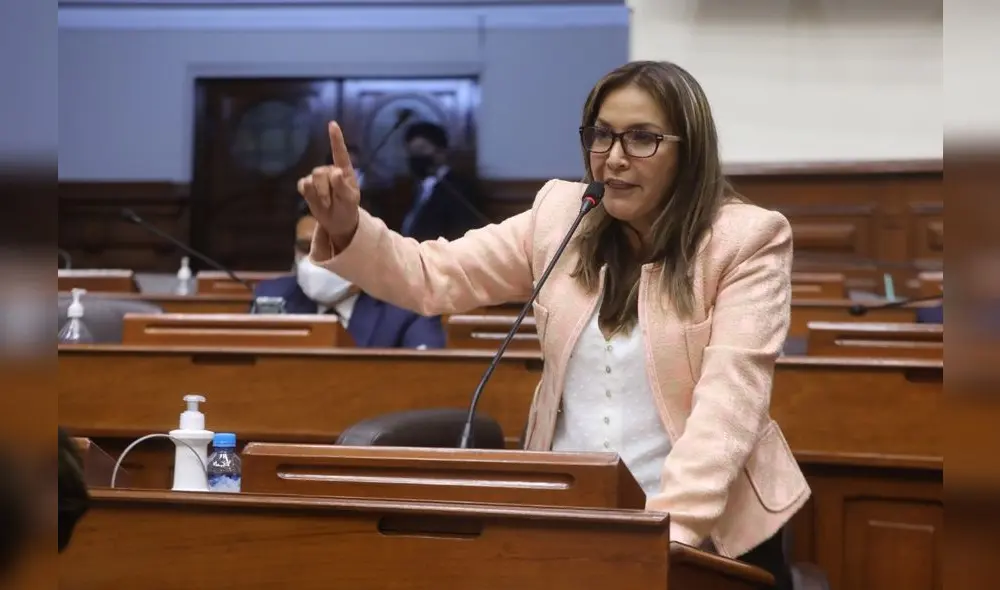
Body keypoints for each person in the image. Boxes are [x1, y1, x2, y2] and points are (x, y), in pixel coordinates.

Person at [297, 60, 808, 589]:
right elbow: (432, 275)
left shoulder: (747, 240)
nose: (613, 158)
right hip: (568, 523)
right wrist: (349, 227)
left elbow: (727, 413)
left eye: (642, 139)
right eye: (602, 135)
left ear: (689, 151)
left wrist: (661, 542)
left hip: (703, 541)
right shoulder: (561, 215)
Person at [252, 210, 447, 349]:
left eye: (334, 249)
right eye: (305, 248)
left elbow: (425, 381)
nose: (316, 260)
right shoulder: (271, 297)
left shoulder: (410, 307)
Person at [399, 121, 486, 241]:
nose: (416, 156)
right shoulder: (416, 187)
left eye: (421, 149)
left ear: (441, 152)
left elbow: (462, 232)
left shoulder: (458, 188)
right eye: (411, 150)